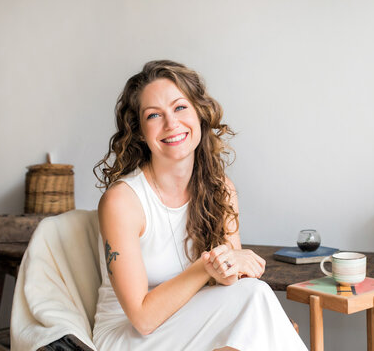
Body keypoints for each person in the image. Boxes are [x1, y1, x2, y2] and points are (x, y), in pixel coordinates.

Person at [92, 60, 307, 351]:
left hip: (192, 320)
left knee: (254, 299)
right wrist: (208, 266)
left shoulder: (221, 189)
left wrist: (229, 267)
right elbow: (142, 318)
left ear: (199, 114)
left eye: (180, 107)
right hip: (128, 335)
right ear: (140, 131)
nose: (171, 124)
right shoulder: (122, 201)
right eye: (154, 115)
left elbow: (233, 284)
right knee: (257, 304)